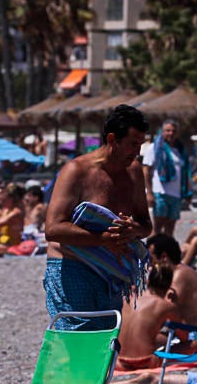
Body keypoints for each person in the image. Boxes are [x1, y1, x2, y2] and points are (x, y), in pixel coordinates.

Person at [43, 104, 153, 330]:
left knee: (104, 342)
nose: (137, 152)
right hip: (72, 266)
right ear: (112, 139)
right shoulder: (77, 171)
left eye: (140, 145)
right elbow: (53, 229)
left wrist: (132, 230)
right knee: (78, 342)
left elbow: (146, 225)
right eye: (133, 144)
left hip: (111, 270)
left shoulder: (134, 173)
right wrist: (103, 238)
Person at [146, 233, 197, 329]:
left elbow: (163, 306)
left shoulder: (181, 274)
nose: (149, 264)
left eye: (151, 259)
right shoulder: (173, 273)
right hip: (182, 333)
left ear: (164, 257)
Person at [141, 119, 188, 238]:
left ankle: (167, 254)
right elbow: (145, 170)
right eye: (167, 131)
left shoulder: (179, 150)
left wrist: (188, 192)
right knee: (157, 228)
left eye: (173, 131)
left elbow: (184, 172)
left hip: (176, 195)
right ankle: (151, 254)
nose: (170, 133)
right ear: (162, 132)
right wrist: (149, 193)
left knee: (170, 229)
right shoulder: (154, 148)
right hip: (160, 192)